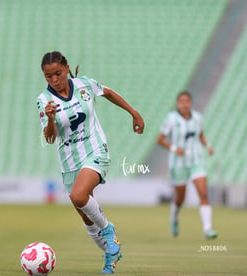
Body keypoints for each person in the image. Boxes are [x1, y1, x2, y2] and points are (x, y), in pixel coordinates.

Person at [36, 51, 144, 274]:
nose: (54, 80)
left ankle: (108, 229)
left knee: (79, 196)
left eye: (58, 73)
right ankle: (110, 256)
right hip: (68, 161)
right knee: (86, 216)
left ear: (66, 68)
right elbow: (50, 137)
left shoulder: (84, 84)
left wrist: (133, 113)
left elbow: (108, 92)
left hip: (96, 151)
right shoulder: (43, 101)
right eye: (48, 76)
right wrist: (50, 119)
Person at [157, 91, 218, 239]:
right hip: (178, 163)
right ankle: (174, 217)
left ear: (191, 102)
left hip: (197, 160)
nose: (185, 104)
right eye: (181, 101)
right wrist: (174, 148)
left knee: (203, 194)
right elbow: (160, 139)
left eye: (187, 101)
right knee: (181, 197)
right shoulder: (171, 119)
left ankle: (207, 229)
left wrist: (208, 145)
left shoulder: (198, 118)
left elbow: (201, 135)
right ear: (178, 103)